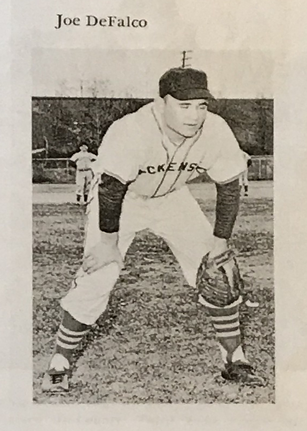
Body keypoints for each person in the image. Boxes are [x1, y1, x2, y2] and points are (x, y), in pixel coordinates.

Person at [42, 67, 264, 392]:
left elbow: (229, 185)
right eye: (184, 105)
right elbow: (111, 189)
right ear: (161, 103)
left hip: (173, 198)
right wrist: (107, 243)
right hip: (123, 200)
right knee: (99, 274)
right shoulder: (131, 129)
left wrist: (220, 242)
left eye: (201, 105)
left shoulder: (216, 130)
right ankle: (59, 362)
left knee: (221, 272)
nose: (194, 115)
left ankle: (234, 361)